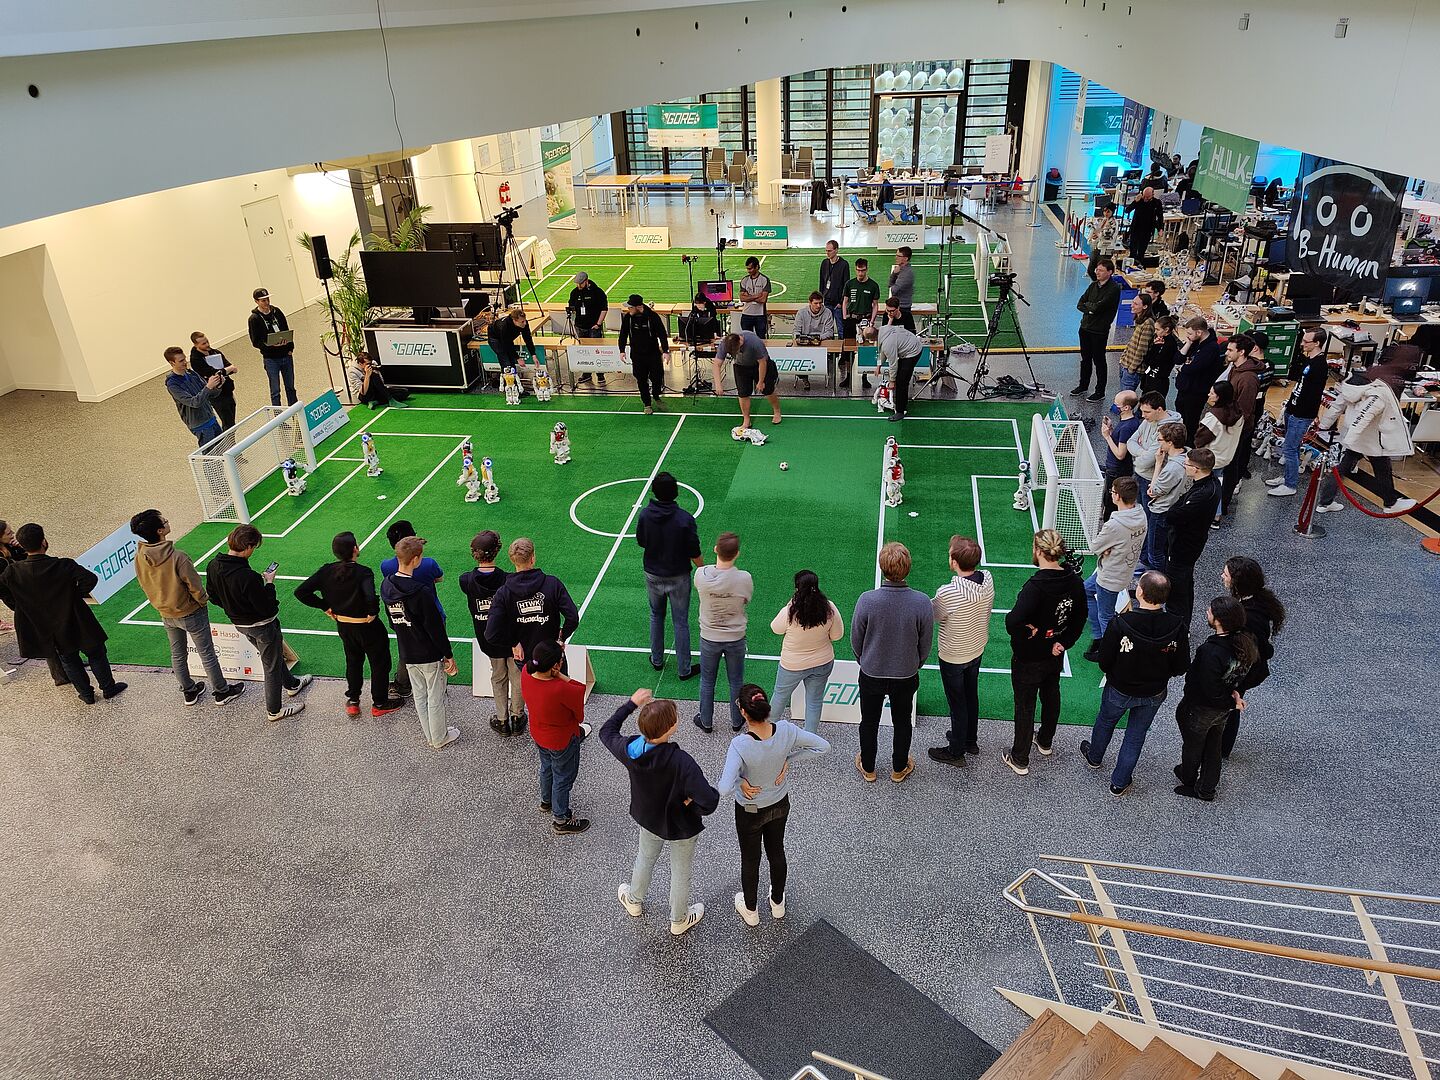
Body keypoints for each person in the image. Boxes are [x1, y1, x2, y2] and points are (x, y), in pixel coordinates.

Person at [604, 689, 719, 937]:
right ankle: (679, 919)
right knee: (681, 872)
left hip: (649, 818)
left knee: (645, 858)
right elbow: (710, 801)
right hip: (682, 825)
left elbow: (607, 731)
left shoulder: (631, 749)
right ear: (671, 728)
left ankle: (634, 901)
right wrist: (692, 804)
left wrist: (631, 704)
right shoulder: (682, 762)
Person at [717, 684, 830, 927]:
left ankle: (751, 910)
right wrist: (789, 759)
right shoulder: (786, 731)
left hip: (750, 810)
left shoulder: (739, 745)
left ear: (744, 712)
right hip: (779, 803)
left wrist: (740, 782)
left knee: (750, 860)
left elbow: (724, 788)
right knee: (776, 851)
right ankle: (777, 903)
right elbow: (823, 746)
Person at [1083, 570, 1190, 795]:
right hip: (1154, 691)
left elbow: (1104, 661)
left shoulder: (1121, 623)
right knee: (1135, 735)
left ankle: (1094, 757)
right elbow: (1181, 666)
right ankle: (1119, 782)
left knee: (1105, 721)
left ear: (1140, 592)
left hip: (1120, 688)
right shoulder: (1176, 626)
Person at [0, 523, 128, 704]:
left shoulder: (12, 572)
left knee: (68, 658)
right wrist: (73, 595)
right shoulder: (63, 565)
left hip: (47, 625)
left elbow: (3, 591)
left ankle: (86, 694)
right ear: (43, 542)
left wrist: (21, 605)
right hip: (76, 616)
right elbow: (90, 579)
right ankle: (108, 688)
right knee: (96, 652)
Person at [130, 508, 245, 708]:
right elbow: (194, 585)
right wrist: (201, 601)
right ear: (159, 531)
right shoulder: (178, 557)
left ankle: (189, 691)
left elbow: (143, 582)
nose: (167, 522)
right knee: (207, 653)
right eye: (164, 521)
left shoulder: (140, 556)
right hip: (191, 612)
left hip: (165, 613)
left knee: (177, 654)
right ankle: (221, 691)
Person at [205, 524, 312, 721]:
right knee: (270, 666)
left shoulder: (213, 565)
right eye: (254, 547)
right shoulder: (248, 577)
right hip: (262, 625)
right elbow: (268, 608)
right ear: (247, 547)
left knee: (273, 656)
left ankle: (292, 684)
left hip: (241, 624)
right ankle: (274, 710)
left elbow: (212, 596)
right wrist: (269, 583)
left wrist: (233, 608)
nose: (253, 551)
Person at [1002, 529, 1087, 776]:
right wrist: (1065, 642)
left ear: (1038, 551)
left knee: (1025, 705)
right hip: (1055, 652)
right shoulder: (1074, 581)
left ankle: (1019, 757)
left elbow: (1012, 621)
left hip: (1029, 656)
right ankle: (1045, 741)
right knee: (1051, 694)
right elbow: (1080, 616)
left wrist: (1030, 630)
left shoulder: (1035, 586)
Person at [295, 531, 403, 720]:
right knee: (379, 663)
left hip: (344, 626)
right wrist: (372, 612)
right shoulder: (363, 572)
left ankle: (353, 700)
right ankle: (379, 703)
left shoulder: (326, 571)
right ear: (355, 549)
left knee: (353, 661)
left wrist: (324, 606)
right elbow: (370, 595)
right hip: (368, 627)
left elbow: (301, 592)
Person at [851, 542, 934, 783]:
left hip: (871, 673)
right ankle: (899, 768)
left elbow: (856, 639)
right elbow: (925, 642)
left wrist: (865, 660)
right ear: (907, 568)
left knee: (869, 721)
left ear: (882, 568)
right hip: (906, 674)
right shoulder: (921, 602)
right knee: (902, 721)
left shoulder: (867, 600)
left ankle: (868, 767)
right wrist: (915, 663)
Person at [1174, 595, 1257, 801]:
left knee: (1193, 745)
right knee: (1213, 744)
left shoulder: (1211, 651)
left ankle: (1189, 778)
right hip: (1222, 708)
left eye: (1210, 611)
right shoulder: (1246, 642)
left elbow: (1208, 687)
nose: (1207, 613)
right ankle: (1207, 787)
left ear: (1219, 620)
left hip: (1202, 707)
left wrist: (1230, 700)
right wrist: (1234, 697)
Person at [383, 536, 459, 749]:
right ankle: (439, 737)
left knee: (420, 695)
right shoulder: (421, 592)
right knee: (435, 696)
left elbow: (392, 620)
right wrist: (448, 655)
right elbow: (434, 629)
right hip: (428, 652)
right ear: (416, 559)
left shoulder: (386, 586)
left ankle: (431, 734)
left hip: (407, 650)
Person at [928, 536, 994, 768]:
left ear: (954, 561)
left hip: (954, 655)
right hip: (977, 648)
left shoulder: (948, 592)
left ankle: (956, 751)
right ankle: (970, 740)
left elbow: (933, 615)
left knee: (957, 703)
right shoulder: (987, 579)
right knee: (970, 695)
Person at [1312, 372, 1418, 516]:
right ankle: (1390, 503)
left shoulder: (1349, 385)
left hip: (1354, 436)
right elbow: (1363, 418)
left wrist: (1324, 425)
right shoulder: (1377, 392)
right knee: (1382, 468)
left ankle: (1325, 502)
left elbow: (1336, 407)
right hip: (1369, 438)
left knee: (1342, 467)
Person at [520, 638, 592, 835]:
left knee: (546, 767)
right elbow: (579, 705)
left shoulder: (526, 674)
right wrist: (559, 674)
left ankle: (546, 801)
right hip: (561, 739)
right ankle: (561, 819)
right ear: (555, 665)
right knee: (563, 777)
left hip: (538, 733)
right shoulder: (561, 688)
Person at [634, 472, 702, 679]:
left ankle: (656, 659)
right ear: (676, 492)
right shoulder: (685, 519)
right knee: (680, 621)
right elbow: (694, 551)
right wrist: (705, 569)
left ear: (654, 491)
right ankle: (684, 669)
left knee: (656, 615)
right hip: (678, 576)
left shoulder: (645, 515)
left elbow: (641, 541)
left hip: (653, 574)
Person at [459, 530, 525, 736]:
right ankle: (517, 716)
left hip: (488, 639)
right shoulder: (508, 579)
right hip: (513, 639)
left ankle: (502, 719)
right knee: (517, 677)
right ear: (497, 551)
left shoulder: (466, 580)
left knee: (498, 677)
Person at [1219, 556, 1285, 758]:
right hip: (1243, 668)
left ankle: (1222, 748)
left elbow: (1259, 648)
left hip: (1240, 671)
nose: (1222, 576)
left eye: (1226, 574)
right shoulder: (1256, 602)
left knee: (1230, 707)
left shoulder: (1249, 616)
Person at [484, 537, 580, 671]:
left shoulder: (503, 593)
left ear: (513, 561)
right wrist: (561, 638)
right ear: (533, 558)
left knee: (531, 691)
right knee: (559, 690)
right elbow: (573, 617)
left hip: (526, 659)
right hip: (553, 657)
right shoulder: (553, 584)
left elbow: (491, 634)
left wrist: (514, 643)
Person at [769, 570, 844, 734]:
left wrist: (790, 603)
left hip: (792, 665)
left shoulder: (790, 611)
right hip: (822, 662)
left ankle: (766, 732)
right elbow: (837, 635)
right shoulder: (829, 608)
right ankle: (810, 738)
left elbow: (775, 628)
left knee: (780, 696)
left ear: (797, 588)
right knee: (814, 701)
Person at [1082, 476, 1147, 660]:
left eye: (1112, 491)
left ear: (1117, 496)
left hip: (1109, 577)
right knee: (1086, 590)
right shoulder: (1141, 514)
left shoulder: (1114, 525)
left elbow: (1095, 547)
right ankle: (1098, 637)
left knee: (1106, 616)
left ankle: (1107, 651)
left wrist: (1106, 549)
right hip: (1124, 570)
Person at [693, 532, 752, 734]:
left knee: (707, 680)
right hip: (735, 637)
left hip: (709, 636)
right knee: (736, 680)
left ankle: (706, 721)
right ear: (737, 554)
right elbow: (746, 599)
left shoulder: (701, 575)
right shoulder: (744, 578)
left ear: (716, 550)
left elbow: (702, 573)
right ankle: (737, 720)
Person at [0, 520, 68, 684]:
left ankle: (69, 660)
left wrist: (21, 548)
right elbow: (4, 588)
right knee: (45, 634)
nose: (12, 534)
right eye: (8, 533)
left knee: (56, 628)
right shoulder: (1, 561)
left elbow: (34, 558)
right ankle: (59, 675)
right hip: (23, 601)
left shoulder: (12, 548)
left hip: (34, 594)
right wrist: (18, 605)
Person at [1268, 326, 1331, 497]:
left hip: (1301, 414)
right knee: (1291, 448)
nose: (1302, 344)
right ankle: (1288, 476)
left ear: (1317, 343)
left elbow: (1313, 394)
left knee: (1290, 448)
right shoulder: (1309, 360)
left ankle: (1290, 484)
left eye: (1306, 341)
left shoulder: (1319, 365)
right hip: (1293, 409)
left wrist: (1300, 413)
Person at [1163, 447, 1221, 622]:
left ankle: (1177, 624)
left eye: (1187, 464)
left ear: (1196, 469)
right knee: (1186, 583)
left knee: (1177, 586)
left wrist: (1173, 511)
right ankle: (1183, 620)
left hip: (1184, 546)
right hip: (1192, 543)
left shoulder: (1202, 494)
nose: (1184, 466)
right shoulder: (1212, 483)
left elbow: (1174, 515)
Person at [1128, 392, 1182, 567]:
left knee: (1152, 530)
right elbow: (1131, 441)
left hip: (1151, 480)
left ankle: (1152, 572)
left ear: (1159, 409)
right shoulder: (1148, 421)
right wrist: (1143, 451)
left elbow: (1147, 461)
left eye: (1147, 412)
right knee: (1145, 521)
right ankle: (1144, 559)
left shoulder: (1167, 431)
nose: (1143, 416)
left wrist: (1142, 454)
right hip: (1144, 476)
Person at [1144, 422, 1191, 573]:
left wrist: (1158, 464)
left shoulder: (1172, 468)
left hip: (1161, 511)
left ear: (1170, 443)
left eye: (1160, 440)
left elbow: (1153, 491)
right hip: (1174, 507)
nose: (1158, 442)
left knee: (1155, 553)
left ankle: (1156, 584)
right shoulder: (1188, 455)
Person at [1074, 257, 1122, 401]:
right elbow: (1080, 303)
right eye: (1097, 270)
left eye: (1101, 270)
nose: (1097, 272)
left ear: (1110, 272)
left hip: (1099, 331)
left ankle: (1100, 391)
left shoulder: (1113, 289)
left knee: (1099, 361)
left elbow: (1098, 307)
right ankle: (1083, 385)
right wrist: (1090, 309)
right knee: (1085, 359)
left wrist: (1090, 307)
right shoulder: (1093, 285)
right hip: (1085, 328)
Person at [1193, 382, 1244, 519]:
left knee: (1209, 487)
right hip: (1227, 456)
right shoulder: (1238, 413)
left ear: (1219, 397)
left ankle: (1214, 515)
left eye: (1212, 393)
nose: (1209, 395)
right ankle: (1216, 514)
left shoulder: (1213, 417)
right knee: (1218, 484)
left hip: (1210, 458)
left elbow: (1200, 438)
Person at [1173, 317, 1223, 443]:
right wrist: (1188, 344)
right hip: (1184, 387)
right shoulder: (1194, 342)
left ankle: (1189, 445)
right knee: (1181, 416)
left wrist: (1182, 368)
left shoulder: (1211, 348)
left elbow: (1194, 368)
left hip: (1196, 392)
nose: (1188, 336)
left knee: (1191, 421)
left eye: (1190, 333)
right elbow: (1178, 359)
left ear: (1199, 332)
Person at [717, 330, 780, 429]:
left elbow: (762, 362)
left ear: (740, 342)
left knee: (768, 390)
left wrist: (760, 381)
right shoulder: (725, 343)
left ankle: (777, 411)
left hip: (759, 365)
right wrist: (718, 384)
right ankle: (746, 420)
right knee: (743, 393)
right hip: (741, 367)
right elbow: (716, 364)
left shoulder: (754, 342)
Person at [618, 293, 669, 415]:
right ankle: (647, 403)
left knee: (657, 377)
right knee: (641, 380)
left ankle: (656, 394)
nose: (628, 309)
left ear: (638, 307)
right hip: (637, 355)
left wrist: (666, 351)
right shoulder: (628, 318)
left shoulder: (653, 317)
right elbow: (623, 335)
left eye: (631, 307)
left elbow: (662, 334)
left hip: (653, 354)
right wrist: (621, 350)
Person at [164, 346, 224, 447]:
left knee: (222, 447)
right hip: (200, 425)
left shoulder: (191, 373)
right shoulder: (173, 384)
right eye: (181, 361)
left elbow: (210, 394)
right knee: (210, 455)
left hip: (210, 417)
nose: (185, 362)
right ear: (172, 363)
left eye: (184, 359)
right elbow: (194, 402)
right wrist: (208, 387)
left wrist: (218, 385)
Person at [247, 288, 297, 407]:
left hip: (286, 355)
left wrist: (290, 348)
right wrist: (269, 345)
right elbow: (255, 341)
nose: (266, 303)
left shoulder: (277, 312)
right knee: (275, 391)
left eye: (267, 299)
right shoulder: (254, 319)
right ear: (256, 302)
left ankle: (296, 411)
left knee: (290, 387)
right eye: (263, 300)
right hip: (271, 359)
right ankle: (279, 418)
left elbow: (286, 328)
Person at [869, 315, 925, 422]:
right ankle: (901, 403)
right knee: (900, 379)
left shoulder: (887, 343)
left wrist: (892, 381)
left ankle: (900, 411)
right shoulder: (883, 330)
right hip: (910, 346)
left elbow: (893, 364)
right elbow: (881, 352)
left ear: (871, 339)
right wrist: (878, 366)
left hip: (913, 352)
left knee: (901, 381)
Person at [1099, 390, 1142, 520]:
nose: (1114, 406)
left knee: (1111, 502)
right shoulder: (1129, 421)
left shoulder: (1127, 427)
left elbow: (1120, 454)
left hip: (1117, 470)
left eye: (1117, 404)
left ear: (1126, 407)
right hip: (1119, 468)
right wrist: (1111, 431)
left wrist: (1107, 437)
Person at [842, 258, 881, 389]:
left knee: (865, 349)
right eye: (858, 270)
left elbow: (875, 305)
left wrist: (872, 321)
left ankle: (865, 377)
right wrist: (844, 317)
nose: (860, 273)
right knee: (847, 349)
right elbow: (845, 301)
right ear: (855, 269)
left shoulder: (873, 285)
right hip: (851, 319)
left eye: (863, 270)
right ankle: (848, 376)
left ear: (866, 269)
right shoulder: (849, 284)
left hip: (865, 320)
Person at [189, 331, 238, 432]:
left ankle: (230, 443)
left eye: (207, 341)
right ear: (195, 345)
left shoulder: (215, 352)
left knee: (231, 420)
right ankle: (229, 445)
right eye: (203, 343)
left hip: (227, 389)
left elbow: (229, 366)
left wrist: (226, 370)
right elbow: (214, 374)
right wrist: (227, 370)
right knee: (228, 423)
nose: (207, 344)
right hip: (216, 394)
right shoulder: (195, 360)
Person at [791, 292, 836, 392]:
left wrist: (816, 338)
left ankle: (830, 376)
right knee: (798, 354)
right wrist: (802, 338)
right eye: (816, 303)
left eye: (820, 303)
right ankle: (804, 378)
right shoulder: (801, 313)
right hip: (805, 343)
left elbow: (829, 332)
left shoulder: (827, 312)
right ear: (810, 303)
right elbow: (796, 331)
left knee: (832, 354)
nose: (818, 306)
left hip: (821, 342)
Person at [1116, 292, 1155, 394]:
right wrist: (1122, 359)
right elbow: (1132, 342)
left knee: (1126, 398)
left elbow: (1141, 350)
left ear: (1145, 306)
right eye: (1133, 302)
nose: (1132, 305)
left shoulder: (1147, 324)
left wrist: (1131, 369)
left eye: (1136, 304)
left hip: (1132, 369)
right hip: (1126, 364)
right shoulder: (1139, 321)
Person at [346, 351, 410, 409]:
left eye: (370, 363)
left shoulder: (373, 363)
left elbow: (381, 383)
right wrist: (367, 376)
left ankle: (376, 401)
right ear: (360, 364)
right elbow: (363, 392)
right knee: (373, 375)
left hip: (377, 391)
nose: (370, 365)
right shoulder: (352, 371)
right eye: (367, 364)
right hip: (364, 396)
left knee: (404, 392)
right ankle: (390, 399)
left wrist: (377, 371)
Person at [818, 241, 849, 356]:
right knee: (827, 329)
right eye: (826, 250)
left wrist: (841, 302)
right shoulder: (824, 263)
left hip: (838, 304)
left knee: (841, 328)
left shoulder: (844, 264)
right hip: (827, 302)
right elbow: (822, 281)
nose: (827, 253)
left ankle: (843, 354)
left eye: (829, 250)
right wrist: (821, 299)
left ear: (836, 250)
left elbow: (846, 284)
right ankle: (829, 352)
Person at [487, 305, 537, 375]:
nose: (525, 323)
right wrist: (518, 358)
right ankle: (508, 381)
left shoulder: (523, 323)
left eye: (525, 320)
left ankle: (514, 380)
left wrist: (533, 354)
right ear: (515, 321)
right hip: (495, 338)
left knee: (511, 360)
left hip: (507, 338)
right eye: (522, 322)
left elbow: (527, 338)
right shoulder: (504, 327)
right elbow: (507, 345)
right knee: (506, 362)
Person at [1139, 316, 1179, 402]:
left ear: (1166, 329)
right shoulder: (1161, 340)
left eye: (1158, 329)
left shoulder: (1170, 344)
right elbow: (1148, 359)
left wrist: (1156, 347)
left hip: (1158, 382)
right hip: (1151, 379)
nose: (1155, 332)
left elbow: (1153, 362)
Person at [1125, 186, 1165, 264]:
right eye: (1144, 196)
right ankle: (1131, 265)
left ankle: (1139, 265)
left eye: (1148, 197)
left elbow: (1160, 216)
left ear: (1153, 195)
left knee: (1142, 250)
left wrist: (1160, 228)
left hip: (1148, 229)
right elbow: (1127, 210)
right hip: (1136, 228)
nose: (1145, 199)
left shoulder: (1157, 203)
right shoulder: (1139, 200)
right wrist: (1135, 201)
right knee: (1133, 249)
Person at [567, 271, 608, 340]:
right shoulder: (574, 293)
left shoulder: (597, 292)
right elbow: (572, 308)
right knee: (581, 349)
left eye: (581, 283)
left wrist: (598, 324)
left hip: (593, 327)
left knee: (594, 348)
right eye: (577, 284)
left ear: (586, 281)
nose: (579, 286)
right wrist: (574, 322)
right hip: (579, 327)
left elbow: (604, 309)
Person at [738, 256, 771, 338]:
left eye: (750, 269)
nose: (748, 271)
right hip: (746, 314)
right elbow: (742, 298)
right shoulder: (744, 280)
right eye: (747, 269)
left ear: (757, 267)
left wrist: (748, 296)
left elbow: (763, 299)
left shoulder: (764, 280)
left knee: (761, 340)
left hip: (760, 315)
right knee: (746, 339)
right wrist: (756, 295)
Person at [1086, 205, 1120, 280]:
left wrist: (1098, 234)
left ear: (1112, 212)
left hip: (1106, 250)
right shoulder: (1104, 220)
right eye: (1105, 211)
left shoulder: (1113, 222)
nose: (1106, 213)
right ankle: (1096, 283)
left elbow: (1108, 234)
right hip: (1098, 247)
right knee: (1090, 270)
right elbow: (1098, 228)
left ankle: (1101, 284)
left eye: (1108, 212)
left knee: (1102, 272)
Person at [887, 246, 916, 328]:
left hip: (902, 309)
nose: (895, 257)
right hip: (899, 307)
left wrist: (894, 274)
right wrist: (894, 274)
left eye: (898, 256)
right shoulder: (900, 270)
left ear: (906, 258)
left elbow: (893, 290)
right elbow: (890, 285)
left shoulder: (907, 273)